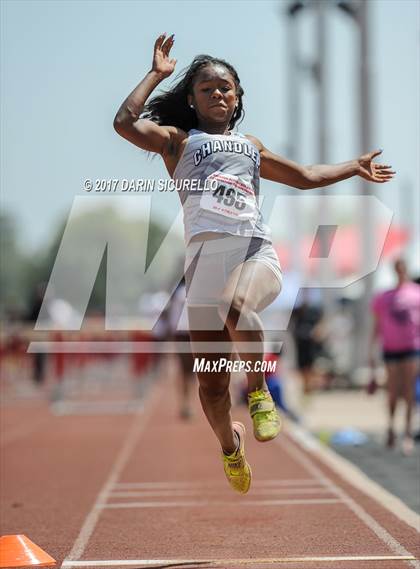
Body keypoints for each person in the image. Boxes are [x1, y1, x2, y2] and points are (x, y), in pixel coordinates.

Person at [114, 33, 395, 493]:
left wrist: (353, 166)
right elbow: (124, 122)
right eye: (207, 89)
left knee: (236, 304)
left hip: (253, 251)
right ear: (192, 98)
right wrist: (155, 75)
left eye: (226, 87)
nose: (218, 94)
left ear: (238, 95)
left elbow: (304, 177)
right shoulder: (177, 141)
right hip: (202, 267)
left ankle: (260, 390)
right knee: (211, 386)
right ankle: (230, 447)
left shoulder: (250, 145)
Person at [370, 259, 420, 455]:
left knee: (408, 391)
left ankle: (407, 433)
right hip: (390, 348)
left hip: (411, 347)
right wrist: (370, 352)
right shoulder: (384, 297)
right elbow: (376, 326)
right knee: (392, 391)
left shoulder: (416, 293)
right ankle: (391, 427)